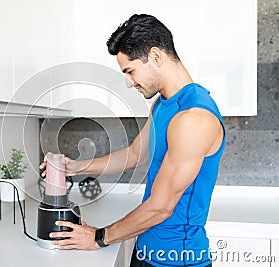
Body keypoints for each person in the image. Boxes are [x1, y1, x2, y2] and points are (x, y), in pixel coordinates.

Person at [39, 14, 225, 267]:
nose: (129, 83)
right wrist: (76, 166)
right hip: (146, 249)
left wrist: (99, 237)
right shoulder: (163, 104)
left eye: (130, 71)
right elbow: (136, 155)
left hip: (177, 260)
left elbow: (162, 207)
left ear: (156, 57)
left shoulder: (194, 118)